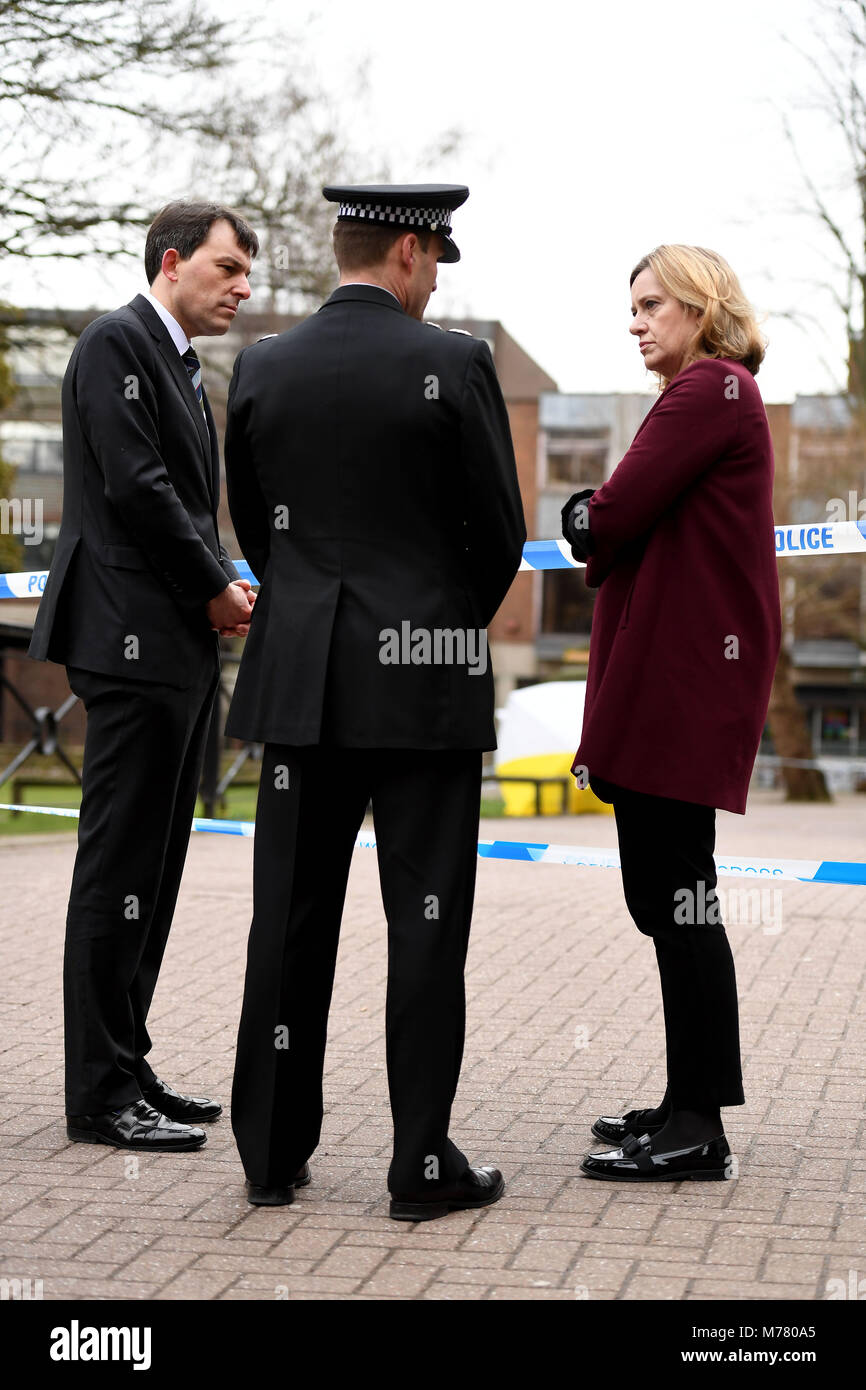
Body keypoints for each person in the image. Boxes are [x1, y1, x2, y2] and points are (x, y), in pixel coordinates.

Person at [225, 182, 526, 1218]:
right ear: (405, 253)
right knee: (425, 921)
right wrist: (439, 618)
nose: (436, 277)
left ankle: (268, 1152)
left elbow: (260, 533)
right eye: (435, 258)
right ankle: (417, 1163)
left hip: (300, 681)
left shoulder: (260, 364)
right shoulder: (453, 363)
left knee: (289, 920)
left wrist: (311, 609)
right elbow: (498, 530)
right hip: (424, 683)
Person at [28, 201, 259, 1151]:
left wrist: (223, 572)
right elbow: (137, 488)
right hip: (131, 643)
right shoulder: (115, 344)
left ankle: (128, 1065)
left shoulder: (176, 361)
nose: (242, 286)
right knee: (117, 865)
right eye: (227, 267)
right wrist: (213, 586)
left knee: (155, 871)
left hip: (174, 647)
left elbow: (180, 504)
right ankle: (97, 1094)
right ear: (172, 262)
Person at [561, 245, 781, 1182]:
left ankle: (698, 1124)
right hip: (681, 680)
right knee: (668, 896)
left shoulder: (709, 391)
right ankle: (686, 1096)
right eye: (634, 306)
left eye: (653, 304)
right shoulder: (713, 394)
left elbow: (608, 518)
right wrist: (597, 512)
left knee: (680, 896)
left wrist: (582, 510)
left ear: (702, 305)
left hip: (684, 684)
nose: (637, 320)